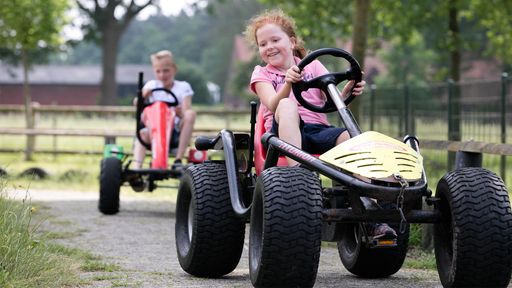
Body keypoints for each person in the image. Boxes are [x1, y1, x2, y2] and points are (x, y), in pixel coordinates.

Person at [245, 9, 396, 239]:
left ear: (292, 41)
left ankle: (371, 210)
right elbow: (274, 104)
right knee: (287, 106)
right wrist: (287, 83)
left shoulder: (312, 66)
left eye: (275, 40)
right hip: (281, 132)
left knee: (350, 138)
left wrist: (347, 90)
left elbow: (330, 100)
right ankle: (300, 180)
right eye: (263, 43)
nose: (269, 47)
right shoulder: (262, 74)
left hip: (317, 130)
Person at [133, 50, 196, 170]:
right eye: (158, 71)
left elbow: (186, 109)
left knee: (190, 114)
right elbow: (136, 104)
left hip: (174, 132)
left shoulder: (183, 87)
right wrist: (143, 96)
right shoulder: (151, 85)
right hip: (152, 131)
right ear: (154, 72)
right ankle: (137, 169)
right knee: (142, 133)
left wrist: (180, 113)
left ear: (174, 69)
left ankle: (178, 159)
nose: (162, 75)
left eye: (166, 71)